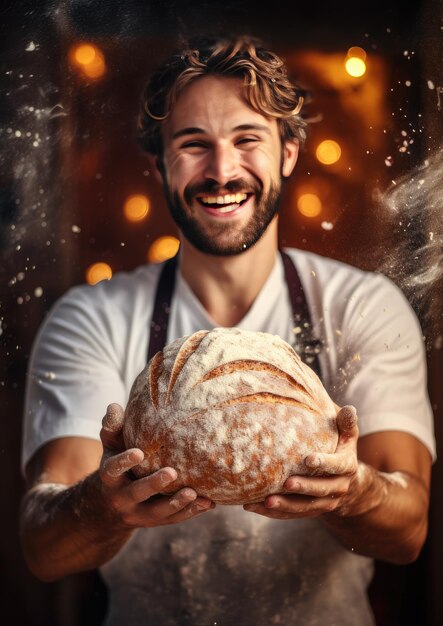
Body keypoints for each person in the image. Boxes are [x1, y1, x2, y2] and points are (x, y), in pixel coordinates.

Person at [20, 35, 435, 626]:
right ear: (159, 161)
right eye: (193, 145)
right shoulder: (92, 318)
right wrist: (103, 506)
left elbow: (410, 530)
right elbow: (43, 545)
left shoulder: (361, 307)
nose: (222, 171)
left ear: (289, 152)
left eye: (248, 140)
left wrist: (357, 490)